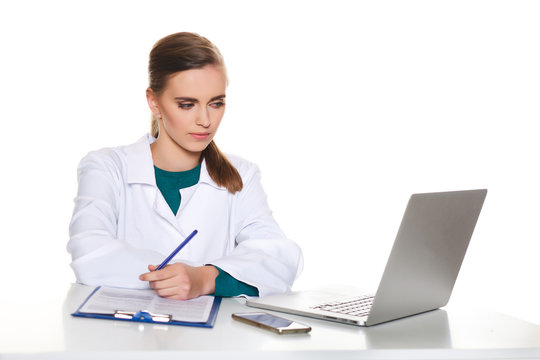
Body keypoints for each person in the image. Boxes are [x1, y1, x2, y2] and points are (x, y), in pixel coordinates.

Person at [67, 32, 303, 300]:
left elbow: (278, 257)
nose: (205, 120)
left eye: (216, 103)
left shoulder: (242, 175)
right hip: (127, 336)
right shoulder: (106, 168)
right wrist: (175, 275)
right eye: (187, 104)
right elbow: (89, 251)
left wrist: (204, 278)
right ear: (154, 102)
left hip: (214, 340)